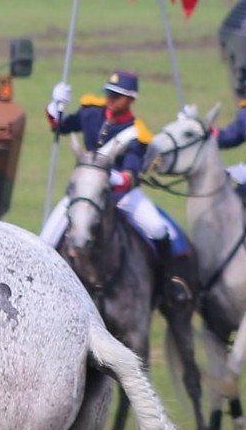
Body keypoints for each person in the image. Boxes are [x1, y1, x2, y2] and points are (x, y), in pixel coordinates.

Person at [39, 70, 189, 287]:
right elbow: (60, 126)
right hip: (86, 192)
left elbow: (130, 175)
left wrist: (110, 178)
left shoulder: (136, 134)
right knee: (46, 238)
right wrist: (56, 104)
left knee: (157, 228)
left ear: (130, 100)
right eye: (108, 93)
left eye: (116, 96)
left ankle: (168, 283)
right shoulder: (91, 113)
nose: (109, 100)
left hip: (121, 195)